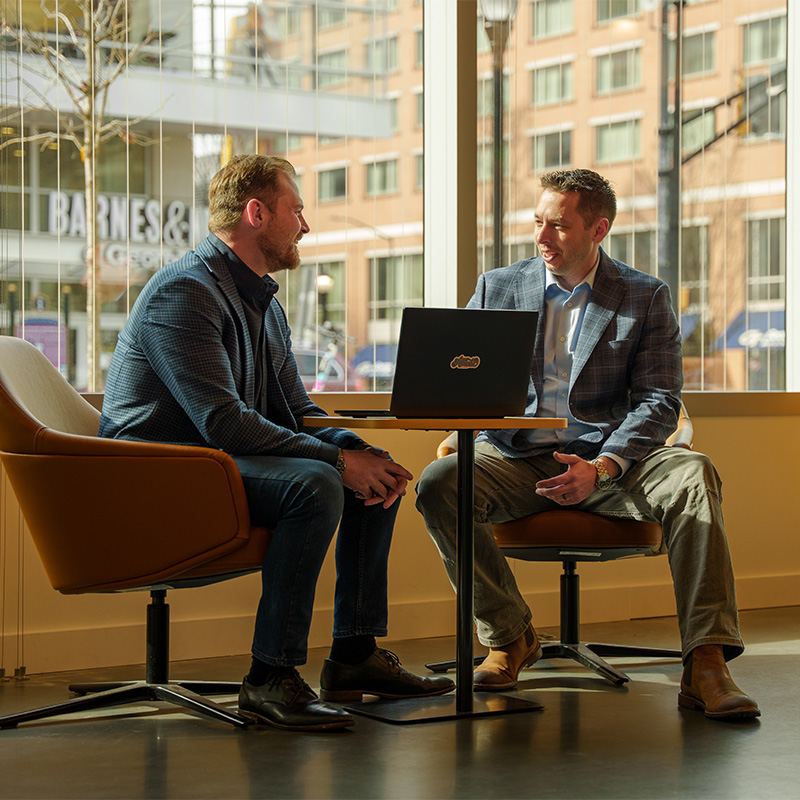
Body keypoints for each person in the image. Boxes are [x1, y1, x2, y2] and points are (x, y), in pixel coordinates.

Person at [99, 154, 454, 732]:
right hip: (158, 474)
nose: (306, 226)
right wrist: (338, 460)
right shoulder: (184, 292)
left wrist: (355, 448)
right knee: (316, 484)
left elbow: (295, 412)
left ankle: (353, 657)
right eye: (297, 210)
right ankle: (270, 677)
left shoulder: (264, 303)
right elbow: (224, 422)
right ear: (256, 213)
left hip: (216, 461)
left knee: (376, 469)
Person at [415, 168, 759, 722]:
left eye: (559, 226)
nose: (542, 237)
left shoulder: (644, 296)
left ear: (598, 230)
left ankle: (707, 663)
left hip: (614, 459)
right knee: (439, 485)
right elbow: (470, 383)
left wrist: (600, 467)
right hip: (517, 455)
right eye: (537, 222)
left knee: (694, 473)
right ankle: (509, 635)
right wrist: (464, 430)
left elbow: (658, 402)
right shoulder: (498, 287)